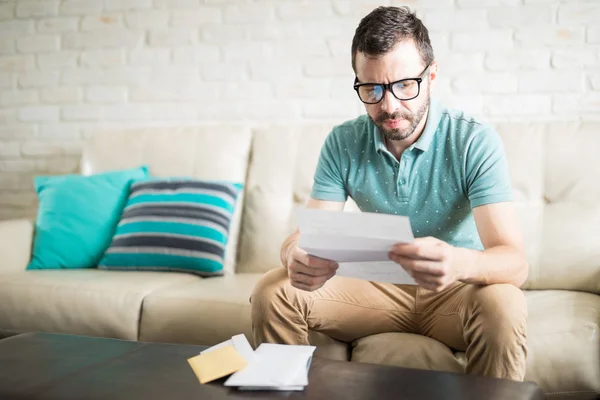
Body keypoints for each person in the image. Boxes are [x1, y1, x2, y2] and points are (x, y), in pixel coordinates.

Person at [250, 6, 528, 381]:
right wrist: (293, 254)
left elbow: (515, 262)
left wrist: (461, 263)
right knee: (273, 289)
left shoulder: (472, 140)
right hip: (376, 291)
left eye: (404, 85)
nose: (389, 105)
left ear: (431, 77)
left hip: (454, 290)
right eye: (372, 89)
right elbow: (305, 237)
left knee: (505, 302)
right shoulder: (343, 141)